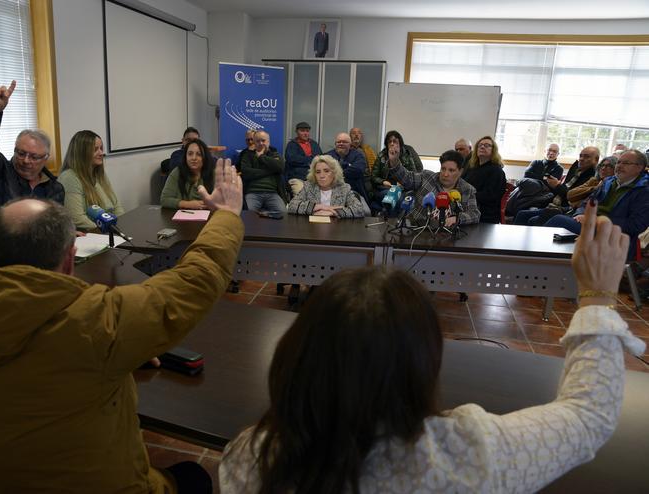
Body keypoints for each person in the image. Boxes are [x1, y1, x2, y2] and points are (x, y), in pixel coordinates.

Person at [219, 200, 644, 493]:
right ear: (423, 363)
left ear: (297, 354)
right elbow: (588, 415)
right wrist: (597, 296)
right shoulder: (467, 457)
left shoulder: (250, 457)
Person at [0, 159, 245, 493]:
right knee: (195, 477)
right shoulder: (97, 321)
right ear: (69, 261)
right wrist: (225, 217)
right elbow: (193, 282)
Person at [0, 80, 64, 251]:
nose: (26, 161)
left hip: (36, 256)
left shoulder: (55, 188)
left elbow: (53, 226)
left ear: (46, 158)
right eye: (21, 153)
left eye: (34, 156)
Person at [544, 149, 649, 260]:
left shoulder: (644, 191)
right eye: (619, 162)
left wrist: (596, 221)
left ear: (640, 167)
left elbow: (636, 225)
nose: (620, 166)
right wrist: (580, 214)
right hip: (590, 226)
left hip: (613, 237)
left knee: (557, 220)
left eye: (626, 163)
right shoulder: (609, 181)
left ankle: (537, 262)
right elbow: (588, 202)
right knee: (551, 222)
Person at [389, 150, 480, 226]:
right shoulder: (426, 177)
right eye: (443, 169)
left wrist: (457, 218)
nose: (445, 174)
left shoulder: (467, 189)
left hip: (445, 236)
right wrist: (394, 162)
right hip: (414, 229)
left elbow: (475, 214)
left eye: (451, 170)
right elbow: (406, 178)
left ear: (460, 172)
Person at [513, 146, 600, 226]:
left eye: (586, 157)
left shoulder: (593, 178)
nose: (581, 159)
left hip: (563, 208)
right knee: (522, 213)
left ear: (596, 160)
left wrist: (557, 186)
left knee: (533, 219)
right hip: (552, 201)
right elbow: (527, 174)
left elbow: (571, 198)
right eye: (580, 156)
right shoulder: (575, 169)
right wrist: (555, 186)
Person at [58, 130, 125, 230]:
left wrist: (123, 223)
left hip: (111, 231)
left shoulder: (99, 174)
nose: (101, 153)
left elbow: (116, 206)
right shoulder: (69, 177)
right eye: (95, 149)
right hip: (92, 234)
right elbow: (77, 218)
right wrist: (107, 230)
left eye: (101, 148)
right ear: (82, 153)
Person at [287, 155, 364, 218]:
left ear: (334, 173)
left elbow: (359, 209)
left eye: (326, 171)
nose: (322, 176)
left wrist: (333, 213)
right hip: (311, 229)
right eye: (318, 172)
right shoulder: (309, 186)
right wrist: (319, 207)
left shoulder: (343, 188)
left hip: (337, 231)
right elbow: (292, 206)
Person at [240, 130, 287, 214]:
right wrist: (270, 171)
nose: (261, 143)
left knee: (283, 212)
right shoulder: (247, 155)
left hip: (272, 193)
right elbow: (246, 173)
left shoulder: (274, 154)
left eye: (263, 140)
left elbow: (281, 167)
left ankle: (264, 215)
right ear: (254, 143)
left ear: (268, 142)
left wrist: (261, 156)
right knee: (248, 213)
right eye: (258, 141)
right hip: (253, 193)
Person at [161, 138, 215, 210]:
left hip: (209, 218)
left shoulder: (213, 173)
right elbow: (164, 200)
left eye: (199, 154)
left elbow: (221, 201)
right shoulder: (177, 172)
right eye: (190, 154)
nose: (194, 158)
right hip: (183, 217)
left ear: (205, 157)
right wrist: (188, 204)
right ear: (185, 157)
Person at [462, 136, 507, 223]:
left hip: (484, 214)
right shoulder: (472, 168)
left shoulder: (497, 171)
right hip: (467, 207)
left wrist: (466, 196)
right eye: (480, 145)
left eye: (487, 145)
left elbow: (490, 196)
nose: (482, 147)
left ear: (493, 150)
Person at [371, 130, 423, 202]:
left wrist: (403, 182)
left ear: (400, 144)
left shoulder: (407, 155)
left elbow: (414, 174)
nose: (392, 144)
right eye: (389, 142)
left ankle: (386, 212)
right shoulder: (381, 156)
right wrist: (383, 182)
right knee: (393, 197)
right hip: (386, 187)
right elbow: (374, 176)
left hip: (404, 187)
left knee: (404, 198)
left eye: (395, 141)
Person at [327, 132, 369, 205]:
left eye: (344, 142)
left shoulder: (358, 155)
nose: (341, 144)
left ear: (350, 144)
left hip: (354, 192)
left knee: (366, 212)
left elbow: (358, 171)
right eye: (338, 142)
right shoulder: (327, 156)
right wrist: (348, 166)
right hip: (331, 192)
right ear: (335, 144)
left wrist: (337, 170)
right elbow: (325, 173)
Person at [285, 122, 322, 196]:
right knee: (301, 195)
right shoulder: (292, 144)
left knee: (321, 195)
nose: (305, 133)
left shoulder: (314, 144)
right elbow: (292, 159)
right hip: (297, 178)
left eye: (307, 131)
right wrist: (311, 160)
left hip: (314, 178)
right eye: (302, 131)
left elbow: (319, 159)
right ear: (297, 132)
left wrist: (303, 160)